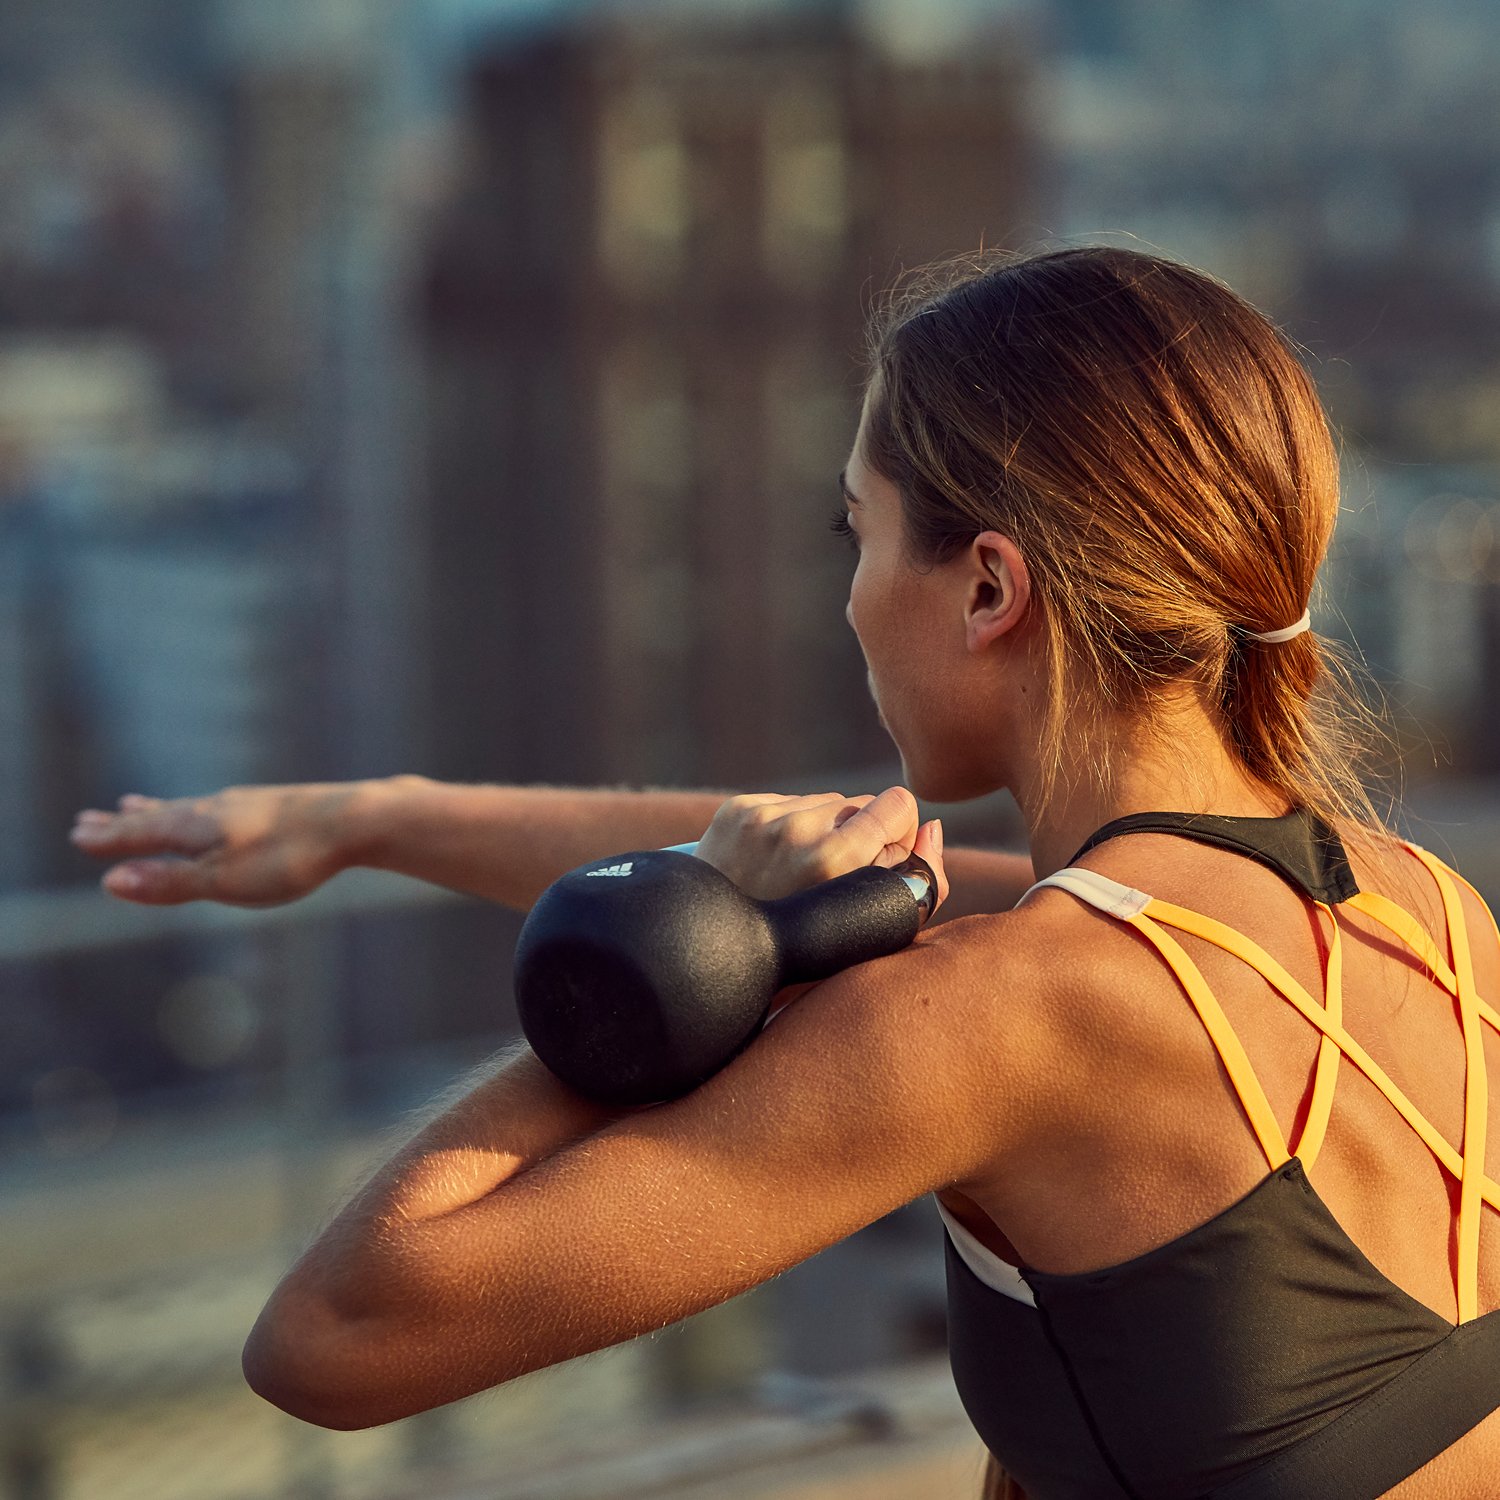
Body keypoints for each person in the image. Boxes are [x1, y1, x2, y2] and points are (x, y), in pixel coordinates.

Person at [70, 246, 1500, 1498]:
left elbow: (333, 1337)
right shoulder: (1426, 914)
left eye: (855, 533)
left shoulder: (998, 1015)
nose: (851, 600)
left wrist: (673, 958)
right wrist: (381, 820)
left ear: (989, 588)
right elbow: (850, 861)